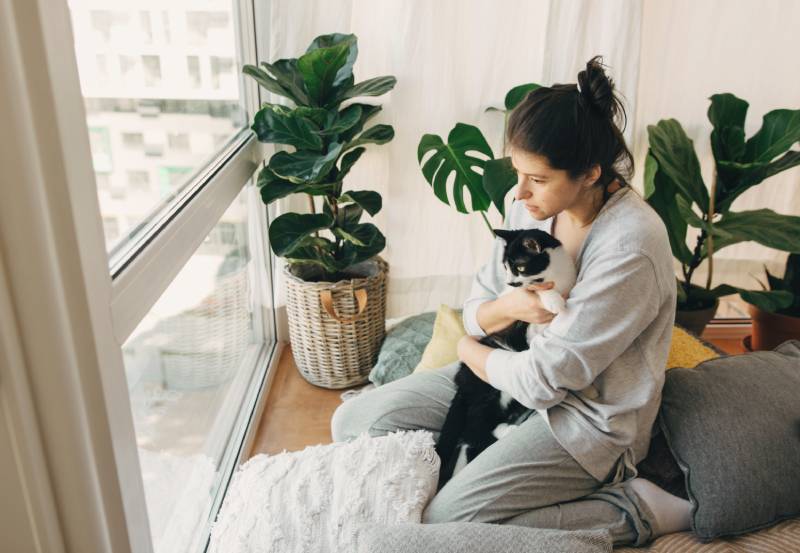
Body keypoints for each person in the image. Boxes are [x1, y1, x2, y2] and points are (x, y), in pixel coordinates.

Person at [330, 55, 692, 547]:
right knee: (355, 419)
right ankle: (470, 478)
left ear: (589, 173)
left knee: (445, 524)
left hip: (585, 421)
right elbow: (478, 301)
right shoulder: (533, 206)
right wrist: (506, 311)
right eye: (518, 173)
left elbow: (544, 383)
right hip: (505, 372)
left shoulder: (630, 247)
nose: (519, 193)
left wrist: (468, 350)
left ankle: (637, 509)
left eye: (537, 179)